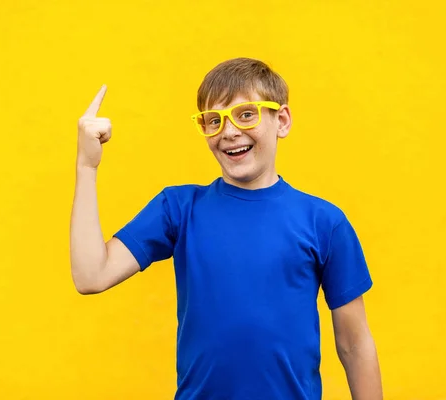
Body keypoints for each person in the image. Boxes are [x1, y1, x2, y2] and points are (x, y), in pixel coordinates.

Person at [70, 58, 383, 400]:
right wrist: (87, 167)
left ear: (282, 120)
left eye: (245, 113)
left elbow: (354, 344)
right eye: (214, 120)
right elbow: (91, 276)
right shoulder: (178, 209)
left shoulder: (324, 221)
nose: (229, 131)